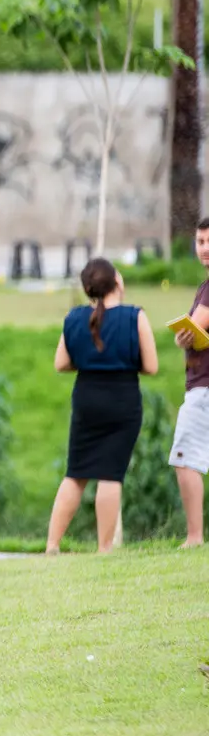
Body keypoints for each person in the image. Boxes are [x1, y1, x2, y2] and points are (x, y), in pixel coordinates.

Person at [46, 259, 157, 555]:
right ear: (116, 282)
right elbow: (151, 365)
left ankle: (52, 545)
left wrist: (90, 361)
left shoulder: (74, 318)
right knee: (110, 474)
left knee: (76, 472)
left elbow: (61, 363)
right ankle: (104, 548)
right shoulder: (135, 316)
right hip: (122, 399)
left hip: (86, 398)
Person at [169, 219, 209, 550]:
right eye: (200, 241)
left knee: (185, 458)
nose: (205, 248)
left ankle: (195, 538)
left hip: (204, 389)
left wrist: (186, 339)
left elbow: (197, 330)